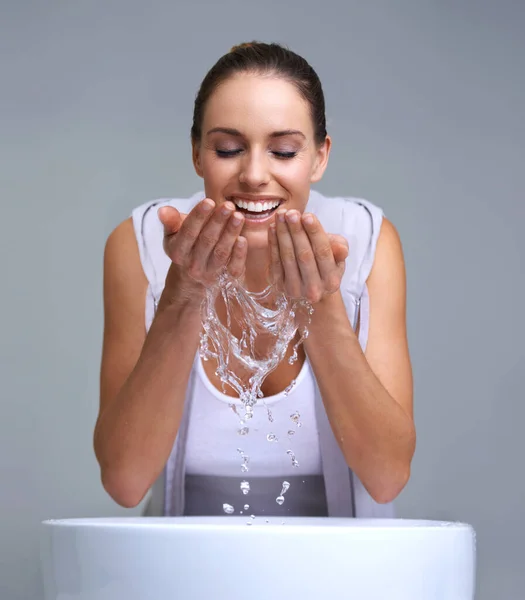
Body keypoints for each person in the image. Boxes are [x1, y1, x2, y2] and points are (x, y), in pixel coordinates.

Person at [94, 41, 415, 518]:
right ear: (198, 155)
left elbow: (388, 477)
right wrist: (183, 294)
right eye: (228, 149)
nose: (254, 174)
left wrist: (321, 305)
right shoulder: (143, 245)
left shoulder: (366, 242)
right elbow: (124, 481)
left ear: (321, 157)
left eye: (284, 151)